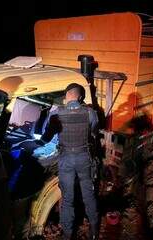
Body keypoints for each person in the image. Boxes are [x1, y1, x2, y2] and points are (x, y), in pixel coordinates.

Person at [40, 83, 99, 240]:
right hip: (83, 157)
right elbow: (93, 132)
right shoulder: (90, 113)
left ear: (66, 96)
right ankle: (94, 231)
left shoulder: (56, 115)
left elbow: (45, 138)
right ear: (80, 97)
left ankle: (67, 235)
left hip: (66, 159)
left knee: (67, 199)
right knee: (88, 194)